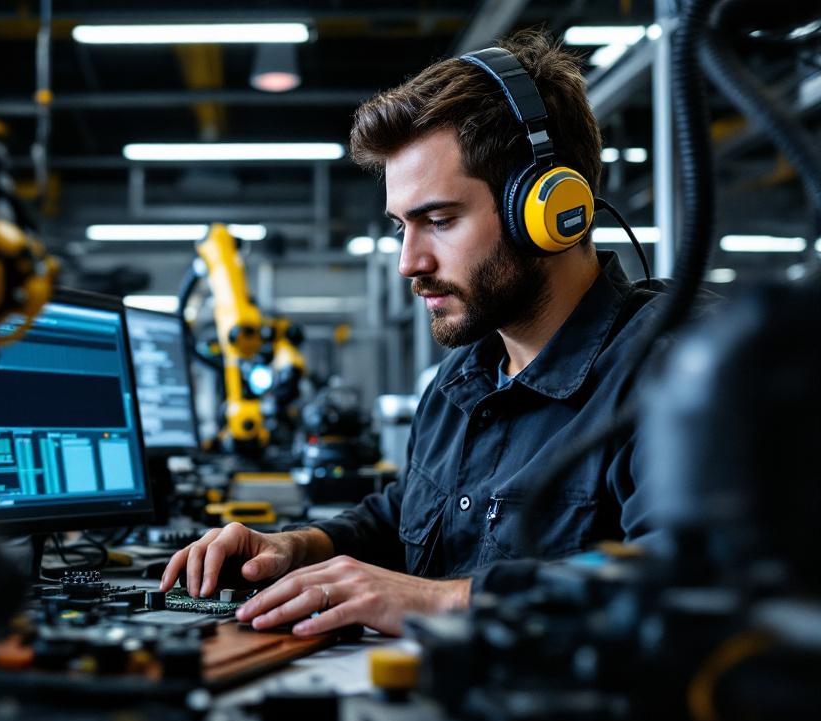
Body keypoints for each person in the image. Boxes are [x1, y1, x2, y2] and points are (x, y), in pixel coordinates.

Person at [159, 31, 662, 636]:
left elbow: (688, 583)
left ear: (550, 210)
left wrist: (439, 601)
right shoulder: (460, 381)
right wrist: (298, 548)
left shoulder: (676, 372)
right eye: (402, 227)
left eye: (439, 220)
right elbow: (406, 516)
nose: (409, 262)